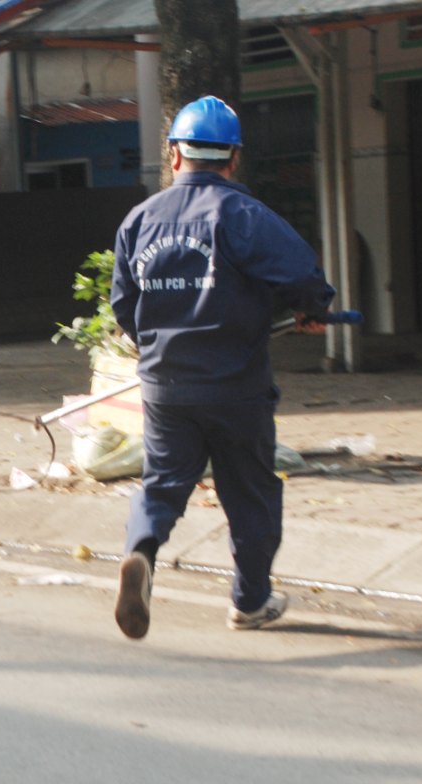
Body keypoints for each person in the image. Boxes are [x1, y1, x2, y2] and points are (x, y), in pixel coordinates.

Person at [109, 96, 335, 639]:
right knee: (250, 494)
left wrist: (160, 348)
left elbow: (124, 305)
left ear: (174, 154)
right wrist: (311, 310)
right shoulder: (244, 215)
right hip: (236, 386)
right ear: (233, 158)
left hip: (166, 388)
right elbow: (304, 276)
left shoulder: (139, 220)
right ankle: (250, 601)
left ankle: (141, 551)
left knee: (161, 487)